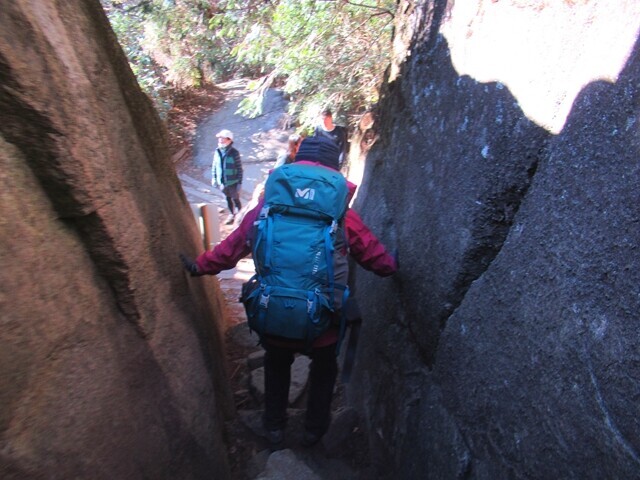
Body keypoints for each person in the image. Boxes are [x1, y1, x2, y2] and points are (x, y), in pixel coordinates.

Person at [181, 137, 397, 449]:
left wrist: (199, 267)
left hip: (275, 314)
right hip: (324, 319)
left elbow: (232, 248)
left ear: (295, 163)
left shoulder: (268, 208)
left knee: (277, 363)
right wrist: (392, 266)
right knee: (324, 369)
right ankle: (314, 431)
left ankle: (274, 428)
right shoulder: (339, 214)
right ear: (334, 168)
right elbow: (373, 254)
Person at [212, 128, 243, 224]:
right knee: (227, 198)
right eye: (219, 138)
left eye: (222, 138)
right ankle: (231, 214)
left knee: (235, 199)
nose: (220, 140)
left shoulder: (234, 153)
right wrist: (214, 178)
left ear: (229, 140)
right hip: (222, 182)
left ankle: (240, 215)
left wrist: (239, 183)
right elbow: (214, 165)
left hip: (233, 182)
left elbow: (239, 168)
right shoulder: (217, 151)